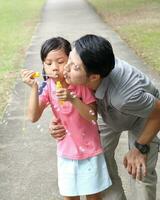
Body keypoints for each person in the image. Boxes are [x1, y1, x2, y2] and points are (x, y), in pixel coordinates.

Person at [49, 34, 160, 200]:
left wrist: (140, 147)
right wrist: (56, 123)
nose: (65, 68)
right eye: (69, 59)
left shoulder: (125, 95)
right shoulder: (79, 71)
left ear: (94, 77)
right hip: (106, 112)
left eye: (75, 67)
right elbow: (61, 104)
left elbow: (158, 111)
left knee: (140, 171)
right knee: (99, 164)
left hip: (143, 115)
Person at [21, 37, 112, 200]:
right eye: (48, 63)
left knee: (93, 197)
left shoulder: (79, 84)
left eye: (60, 61)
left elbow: (93, 116)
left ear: (70, 60)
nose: (55, 68)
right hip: (66, 153)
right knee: (69, 197)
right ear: (43, 65)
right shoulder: (48, 86)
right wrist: (34, 88)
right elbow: (33, 117)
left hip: (89, 151)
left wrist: (73, 99)